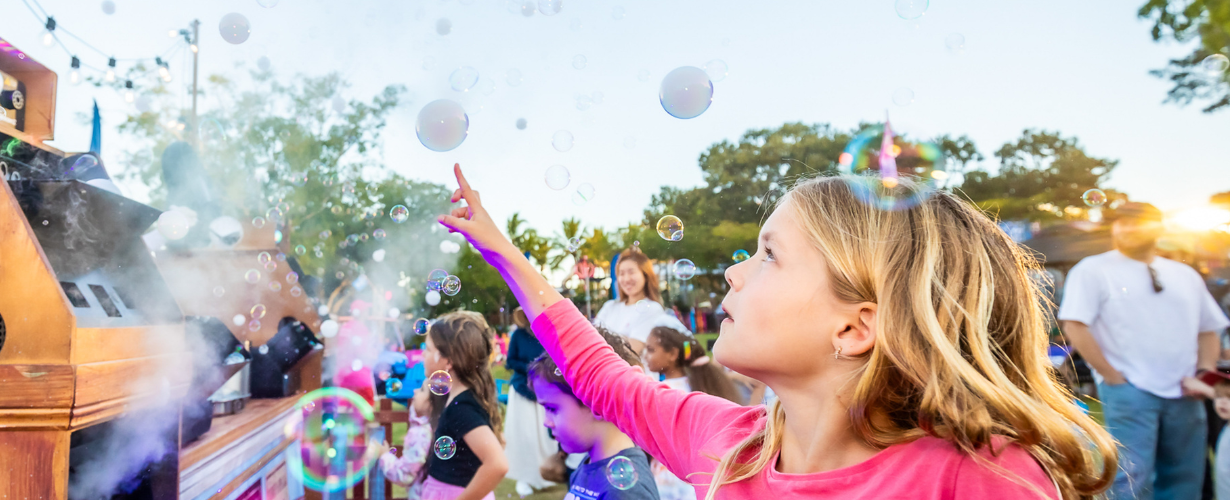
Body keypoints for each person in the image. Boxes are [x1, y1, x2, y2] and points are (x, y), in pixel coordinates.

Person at [436, 164, 1117, 499]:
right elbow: (602, 376)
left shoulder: (980, 476)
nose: (735, 273)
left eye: (769, 255)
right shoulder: (733, 447)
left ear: (854, 328)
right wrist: (503, 251)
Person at [1058, 202, 1229, 500]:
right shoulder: (1093, 269)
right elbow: (1075, 324)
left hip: (1186, 391)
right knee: (1130, 481)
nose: (1128, 228)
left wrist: (1204, 373)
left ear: (1158, 228)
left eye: (1137, 222)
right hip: (1129, 391)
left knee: (1186, 478)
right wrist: (1113, 378)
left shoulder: (1184, 274)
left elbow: (1208, 329)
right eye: (1121, 222)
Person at [529, 328, 660, 500]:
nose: (547, 422)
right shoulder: (588, 465)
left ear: (597, 406)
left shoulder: (627, 493)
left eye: (552, 409)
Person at [418, 310, 509, 500]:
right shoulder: (459, 398)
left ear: (448, 361)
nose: (422, 355)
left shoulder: (462, 409)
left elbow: (497, 464)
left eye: (427, 349)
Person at [593, 247, 690, 354]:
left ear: (646, 275)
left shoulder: (652, 308)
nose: (626, 279)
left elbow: (631, 351)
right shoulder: (610, 306)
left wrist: (604, 342)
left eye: (631, 272)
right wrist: (622, 339)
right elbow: (592, 339)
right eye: (621, 273)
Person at [504, 309, 559, 496]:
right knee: (524, 435)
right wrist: (531, 368)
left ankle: (545, 473)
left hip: (545, 392)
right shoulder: (519, 335)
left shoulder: (549, 335)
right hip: (522, 391)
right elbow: (510, 361)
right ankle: (524, 477)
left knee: (546, 434)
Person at [644, 327, 743, 404]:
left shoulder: (664, 391)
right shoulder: (697, 382)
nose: (645, 356)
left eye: (650, 350)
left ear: (673, 354)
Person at [382, 389, 435, 500]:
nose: (415, 390)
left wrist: (384, 456)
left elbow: (404, 475)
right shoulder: (441, 427)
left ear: (432, 402)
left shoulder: (421, 433)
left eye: (422, 390)